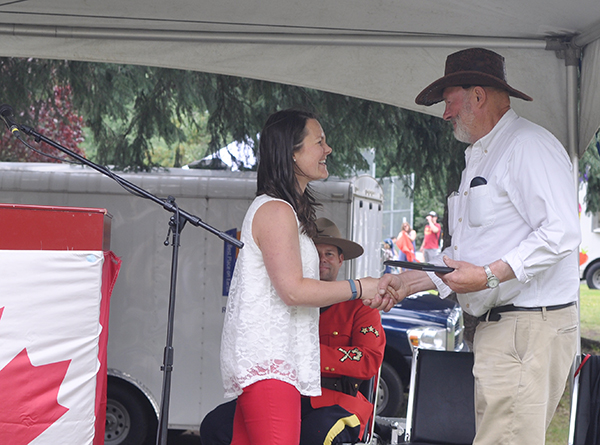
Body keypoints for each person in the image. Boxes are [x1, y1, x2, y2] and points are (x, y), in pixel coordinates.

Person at [368, 48, 580, 445]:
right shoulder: (483, 156)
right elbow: (470, 255)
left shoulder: (526, 146)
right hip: (504, 330)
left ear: (477, 96)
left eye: (449, 102)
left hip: (526, 328)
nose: (445, 114)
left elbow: (562, 233)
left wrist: (487, 275)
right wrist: (409, 283)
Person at [219, 109, 391, 445]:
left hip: (277, 364)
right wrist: (358, 287)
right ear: (292, 152)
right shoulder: (276, 210)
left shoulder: (284, 209)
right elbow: (293, 291)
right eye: (319, 142)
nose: (328, 149)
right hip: (271, 364)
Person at [203, 218, 385, 445]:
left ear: (340, 260)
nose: (322, 259)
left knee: (315, 435)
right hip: (284, 395)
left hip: (336, 402)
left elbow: (367, 360)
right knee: (216, 425)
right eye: (315, 253)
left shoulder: (359, 306)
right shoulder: (286, 300)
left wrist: (307, 353)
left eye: (329, 254)